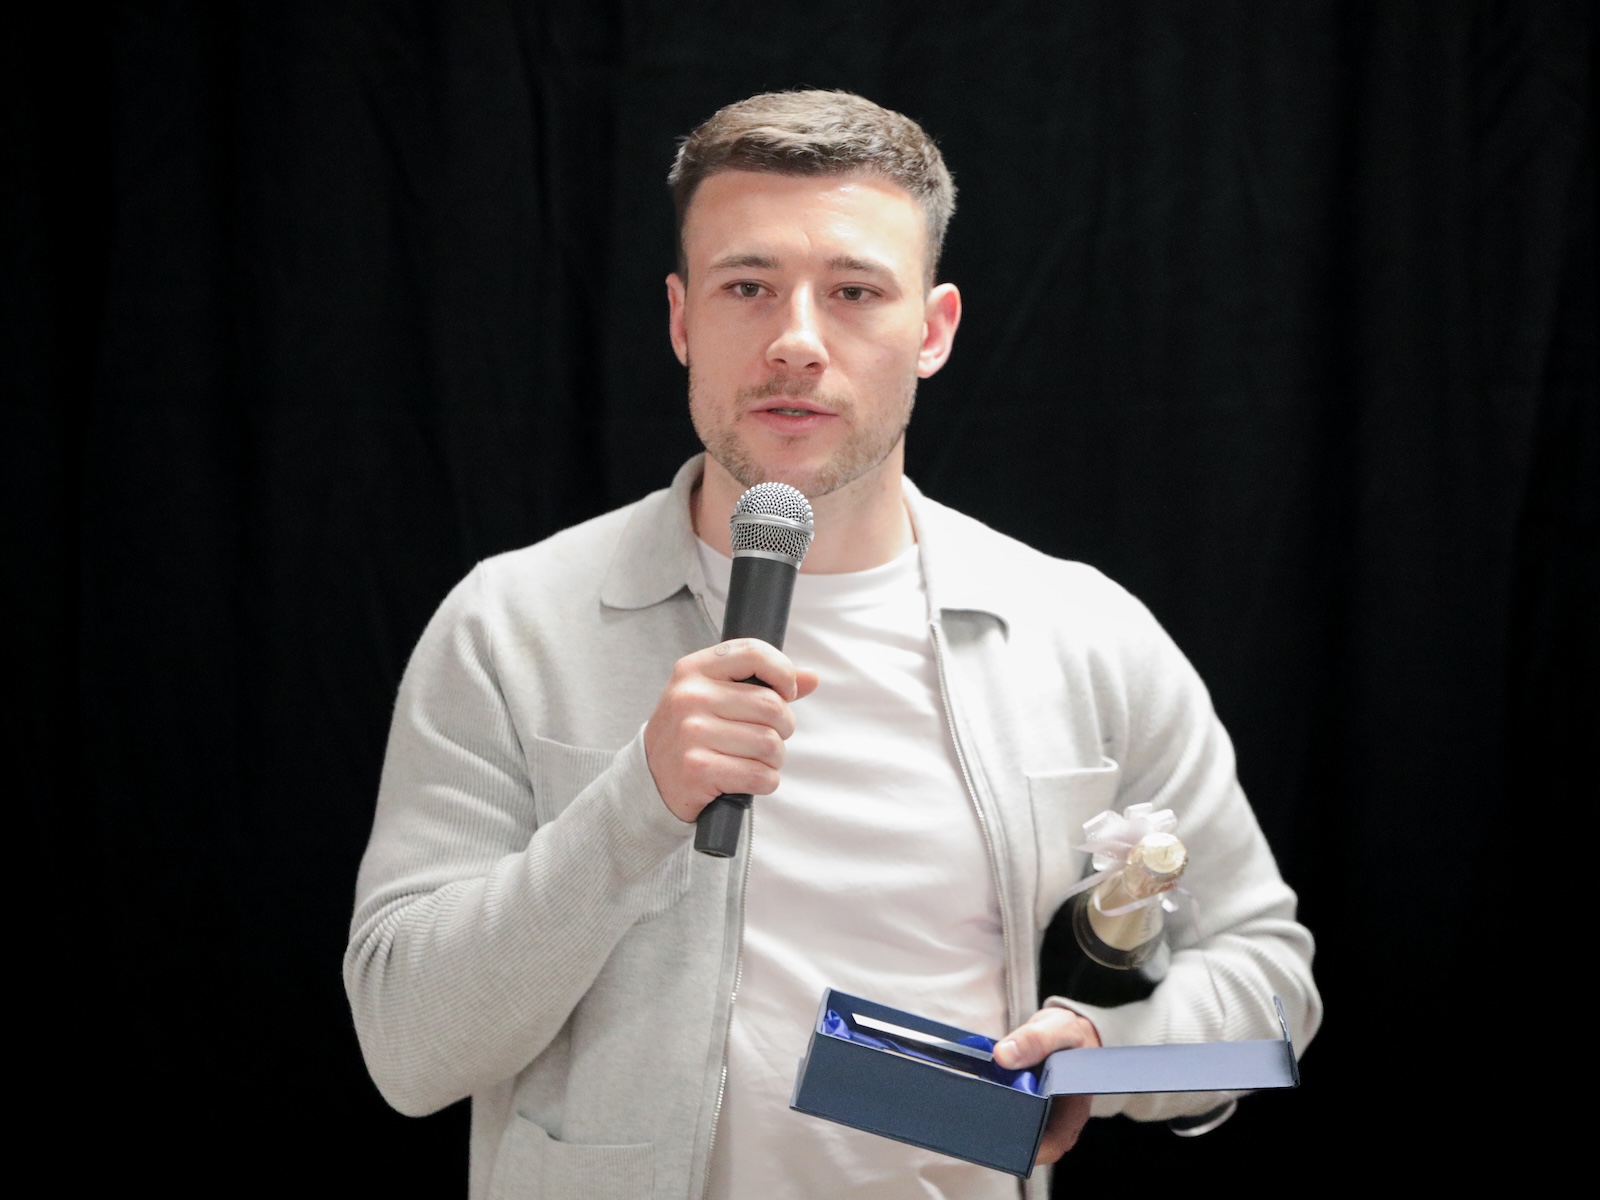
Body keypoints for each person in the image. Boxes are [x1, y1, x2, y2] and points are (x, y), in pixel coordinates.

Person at [345, 90, 1321, 1200]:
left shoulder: (1083, 634)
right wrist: (637, 805)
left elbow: (1272, 990)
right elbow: (407, 1049)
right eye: (747, 287)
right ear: (680, 319)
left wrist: (1112, 1049)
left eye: (854, 291)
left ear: (933, 330)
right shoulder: (510, 625)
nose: (796, 342)